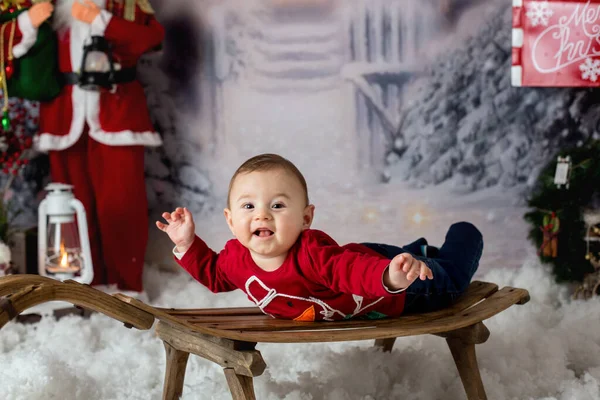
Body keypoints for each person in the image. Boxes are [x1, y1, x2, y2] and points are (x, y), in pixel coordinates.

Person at [157, 154, 484, 321]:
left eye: (277, 205)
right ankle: (417, 251)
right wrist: (186, 243)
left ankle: (465, 232)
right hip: (371, 264)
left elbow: (351, 271)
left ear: (306, 219)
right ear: (230, 221)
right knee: (411, 257)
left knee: (451, 280)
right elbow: (214, 275)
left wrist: (391, 276)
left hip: (393, 287)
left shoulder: (311, 253)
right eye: (248, 206)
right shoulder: (235, 259)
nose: (262, 215)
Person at [6, 0, 164, 294]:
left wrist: (101, 19)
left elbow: (152, 38)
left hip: (116, 111)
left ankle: (125, 286)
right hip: (63, 117)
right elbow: (9, 40)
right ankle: (83, 285)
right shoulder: (46, 5)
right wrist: (28, 21)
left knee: (120, 204)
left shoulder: (125, 5)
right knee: (71, 206)